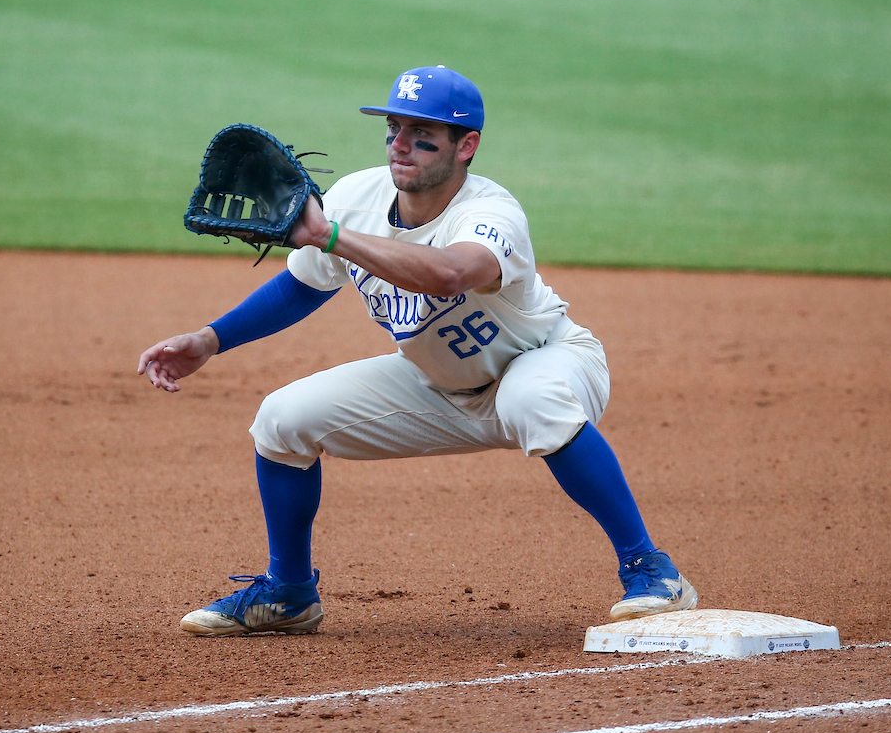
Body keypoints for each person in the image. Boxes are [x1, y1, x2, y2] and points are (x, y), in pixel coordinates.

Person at [138, 65, 698, 637]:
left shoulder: (492, 213)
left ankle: (651, 569)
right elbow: (304, 284)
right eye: (394, 129)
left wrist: (330, 235)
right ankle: (289, 593)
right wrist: (209, 340)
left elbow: (451, 274)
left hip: (546, 360)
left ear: (466, 146)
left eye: (423, 135)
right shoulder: (355, 196)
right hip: (439, 385)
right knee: (281, 421)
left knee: (536, 399)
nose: (401, 145)